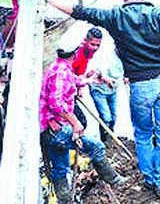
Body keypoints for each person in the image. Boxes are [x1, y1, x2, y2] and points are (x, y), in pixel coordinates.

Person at [48, 0, 160, 198]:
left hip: (140, 85)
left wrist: (48, 0)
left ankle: (150, 179)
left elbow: (81, 12)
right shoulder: (157, 13)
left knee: (142, 133)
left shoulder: (116, 17)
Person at [40, 35, 125, 204]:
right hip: (56, 129)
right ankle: (115, 181)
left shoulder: (58, 68)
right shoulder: (61, 73)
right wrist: (74, 122)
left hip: (50, 128)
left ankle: (65, 200)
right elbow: (55, 102)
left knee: (60, 167)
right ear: (75, 52)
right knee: (96, 147)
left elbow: (74, 81)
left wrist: (89, 79)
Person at [88, 40, 124, 144]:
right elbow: (96, 71)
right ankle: (104, 140)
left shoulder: (126, 57)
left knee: (113, 116)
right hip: (99, 89)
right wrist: (105, 78)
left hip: (112, 90)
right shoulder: (107, 56)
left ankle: (110, 139)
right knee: (106, 117)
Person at [71, 27, 103, 129]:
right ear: (85, 41)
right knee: (81, 122)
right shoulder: (77, 54)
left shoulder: (88, 53)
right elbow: (69, 75)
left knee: (81, 122)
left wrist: (79, 89)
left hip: (74, 89)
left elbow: (80, 72)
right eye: (92, 44)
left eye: (98, 45)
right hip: (66, 92)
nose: (95, 48)